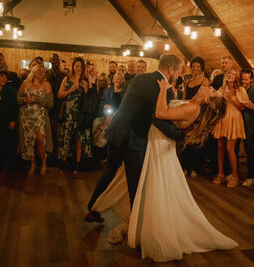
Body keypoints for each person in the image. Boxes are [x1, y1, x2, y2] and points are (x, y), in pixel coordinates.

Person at [89, 71, 238, 262]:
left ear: (208, 100)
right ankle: (139, 224)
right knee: (141, 183)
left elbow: (159, 114)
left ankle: (146, 229)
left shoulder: (193, 108)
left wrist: (161, 90)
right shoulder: (193, 102)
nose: (210, 87)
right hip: (155, 141)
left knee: (147, 185)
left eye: (212, 91)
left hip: (157, 143)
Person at [85, 54, 185, 225]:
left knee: (110, 171)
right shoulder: (163, 88)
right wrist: (179, 136)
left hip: (116, 130)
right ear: (170, 70)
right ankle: (137, 229)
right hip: (133, 137)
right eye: (178, 72)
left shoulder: (140, 78)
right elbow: (158, 118)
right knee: (136, 184)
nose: (178, 76)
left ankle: (92, 209)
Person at [212, 68, 253, 187]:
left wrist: (232, 98)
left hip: (234, 119)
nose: (230, 75)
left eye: (233, 74)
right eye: (229, 73)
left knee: (230, 148)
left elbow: (242, 108)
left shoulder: (240, 90)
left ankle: (235, 176)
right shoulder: (221, 89)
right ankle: (220, 173)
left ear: (236, 77)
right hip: (223, 118)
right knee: (220, 146)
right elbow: (216, 105)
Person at [57, 57, 95, 173]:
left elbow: (91, 98)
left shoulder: (86, 79)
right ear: (73, 67)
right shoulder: (67, 78)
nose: (78, 68)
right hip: (69, 112)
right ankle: (63, 162)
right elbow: (59, 95)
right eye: (76, 66)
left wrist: (86, 90)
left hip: (81, 113)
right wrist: (71, 90)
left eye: (81, 66)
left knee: (79, 137)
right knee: (66, 137)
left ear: (83, 68)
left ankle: (77, 164)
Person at [17, 64, 53, 175]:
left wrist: (35, 99)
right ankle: (32, 164)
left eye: (43, 71)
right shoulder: (25, 83)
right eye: (39, 70)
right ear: (33, 71)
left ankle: (43, 163)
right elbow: (17, 99)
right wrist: (24, 99)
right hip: (26, 117)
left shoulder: (46, 84)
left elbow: (50, 103)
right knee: (29, 141)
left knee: (40, 140)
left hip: (40, 116)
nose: (41, 72)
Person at [181, 56, 209, 178]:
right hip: (188, 112)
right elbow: (184, 97)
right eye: (193, 66)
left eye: (198, 66)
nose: (195, 68)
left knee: (196, 141)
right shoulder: (188, 82)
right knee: (186, 140)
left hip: (199, 113)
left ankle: (195, 168)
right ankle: (185, 166)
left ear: (201, 68)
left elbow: (204, 97)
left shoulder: (205, 81)